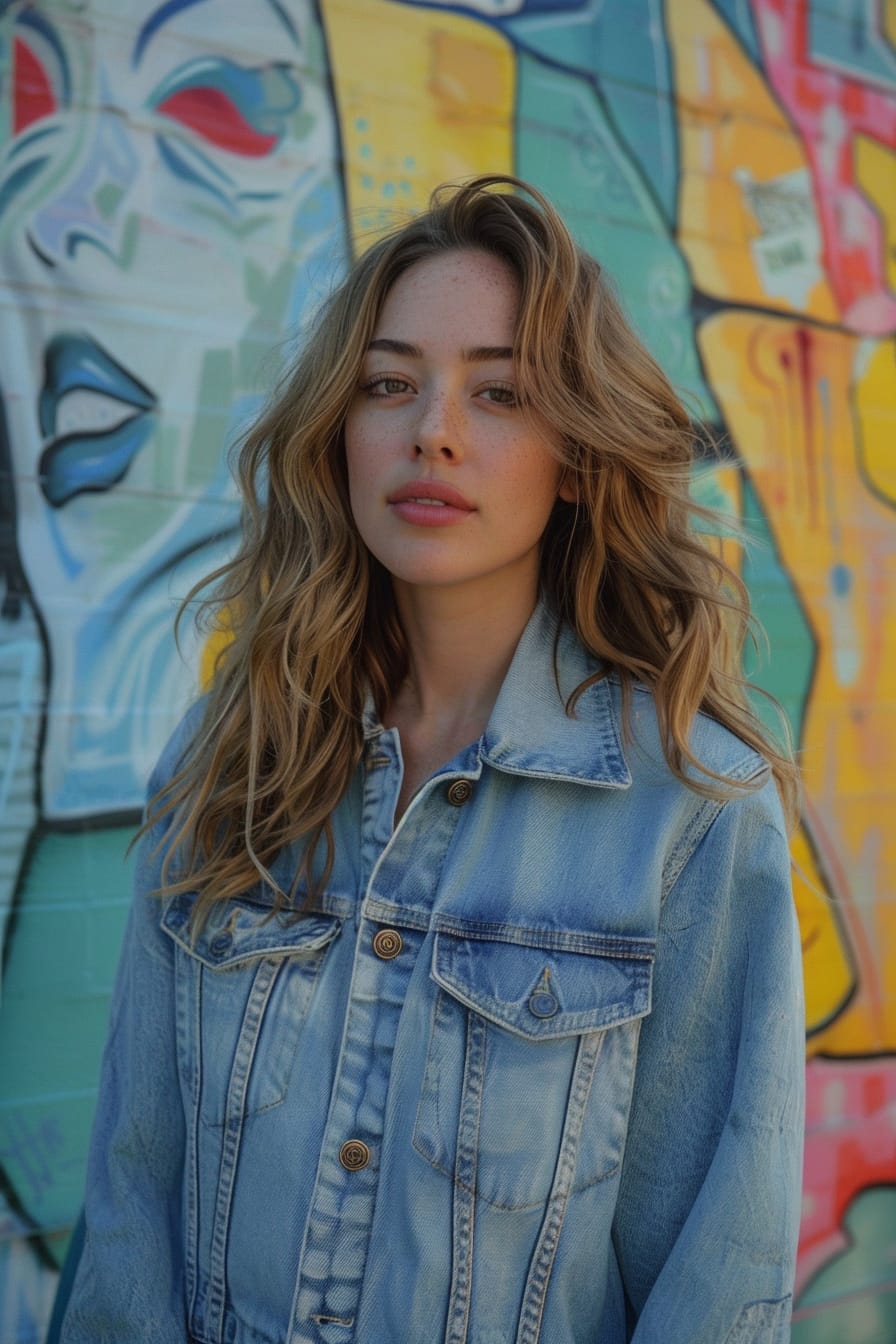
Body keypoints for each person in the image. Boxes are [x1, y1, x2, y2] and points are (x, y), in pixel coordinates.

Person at [59, 175, 805, 1344]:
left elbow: (715, 1282)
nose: (432, 431)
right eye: (388, 384)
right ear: (339, 433)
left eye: (498, 391)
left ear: (573, 452)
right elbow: (131, 1204)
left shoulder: (694, 815)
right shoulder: (231, 757)